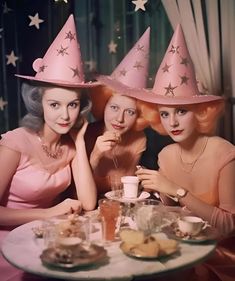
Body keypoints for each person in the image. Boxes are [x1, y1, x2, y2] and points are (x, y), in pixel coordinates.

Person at [0, 15, 98, 281]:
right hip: (8, 247)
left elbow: (89, 203)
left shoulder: (70, 144)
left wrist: (79, 143)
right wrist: (48, 213)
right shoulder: (15, 142)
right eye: (55, 104)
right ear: (39, 104)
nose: (65, 115)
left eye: (73, 104)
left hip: (49, 239)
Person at [136, 25, 235, 281]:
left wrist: (176, 189)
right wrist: (156, 192)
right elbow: (171, 215)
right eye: (165, 114)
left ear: (201, 112)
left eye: (182, 111)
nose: (173, 123)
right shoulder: (166, 155)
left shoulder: (225, 153)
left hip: (221, 256)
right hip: (182, 250)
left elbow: (228, 226)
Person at [85, 28, 152, 197]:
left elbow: (127, 190)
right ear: (103, 105)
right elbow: (73, 193)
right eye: (114, 108)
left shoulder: (138, 139)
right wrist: (95, 156)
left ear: (139, 116)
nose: (119, 119)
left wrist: (144, 181)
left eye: (130, 112)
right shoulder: (85, 134)